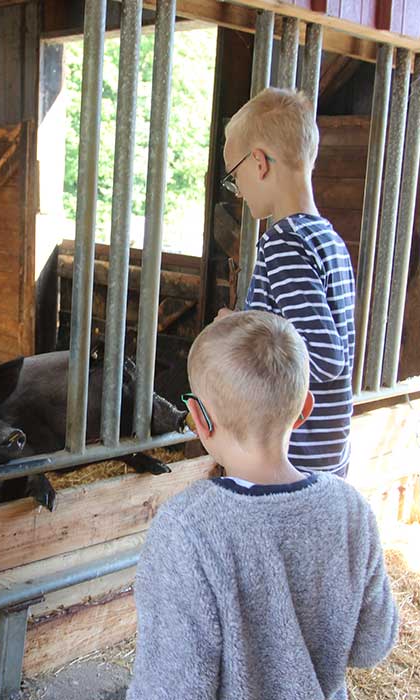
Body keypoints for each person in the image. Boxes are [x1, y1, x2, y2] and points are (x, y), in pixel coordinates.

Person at [126, 311, 397, 700]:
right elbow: (373, 644)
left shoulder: (187, 528)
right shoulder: (351, 510)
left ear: (200, 420)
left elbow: (171, 687)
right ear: (304, 409)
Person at [218, 87, 355, 477]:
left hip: (290, 457)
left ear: (258, 162)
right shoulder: (327, 238)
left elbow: (325, 357)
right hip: (328, 450)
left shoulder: (284, 243)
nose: (238, 190)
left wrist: (238, 330)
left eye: (235, 176)